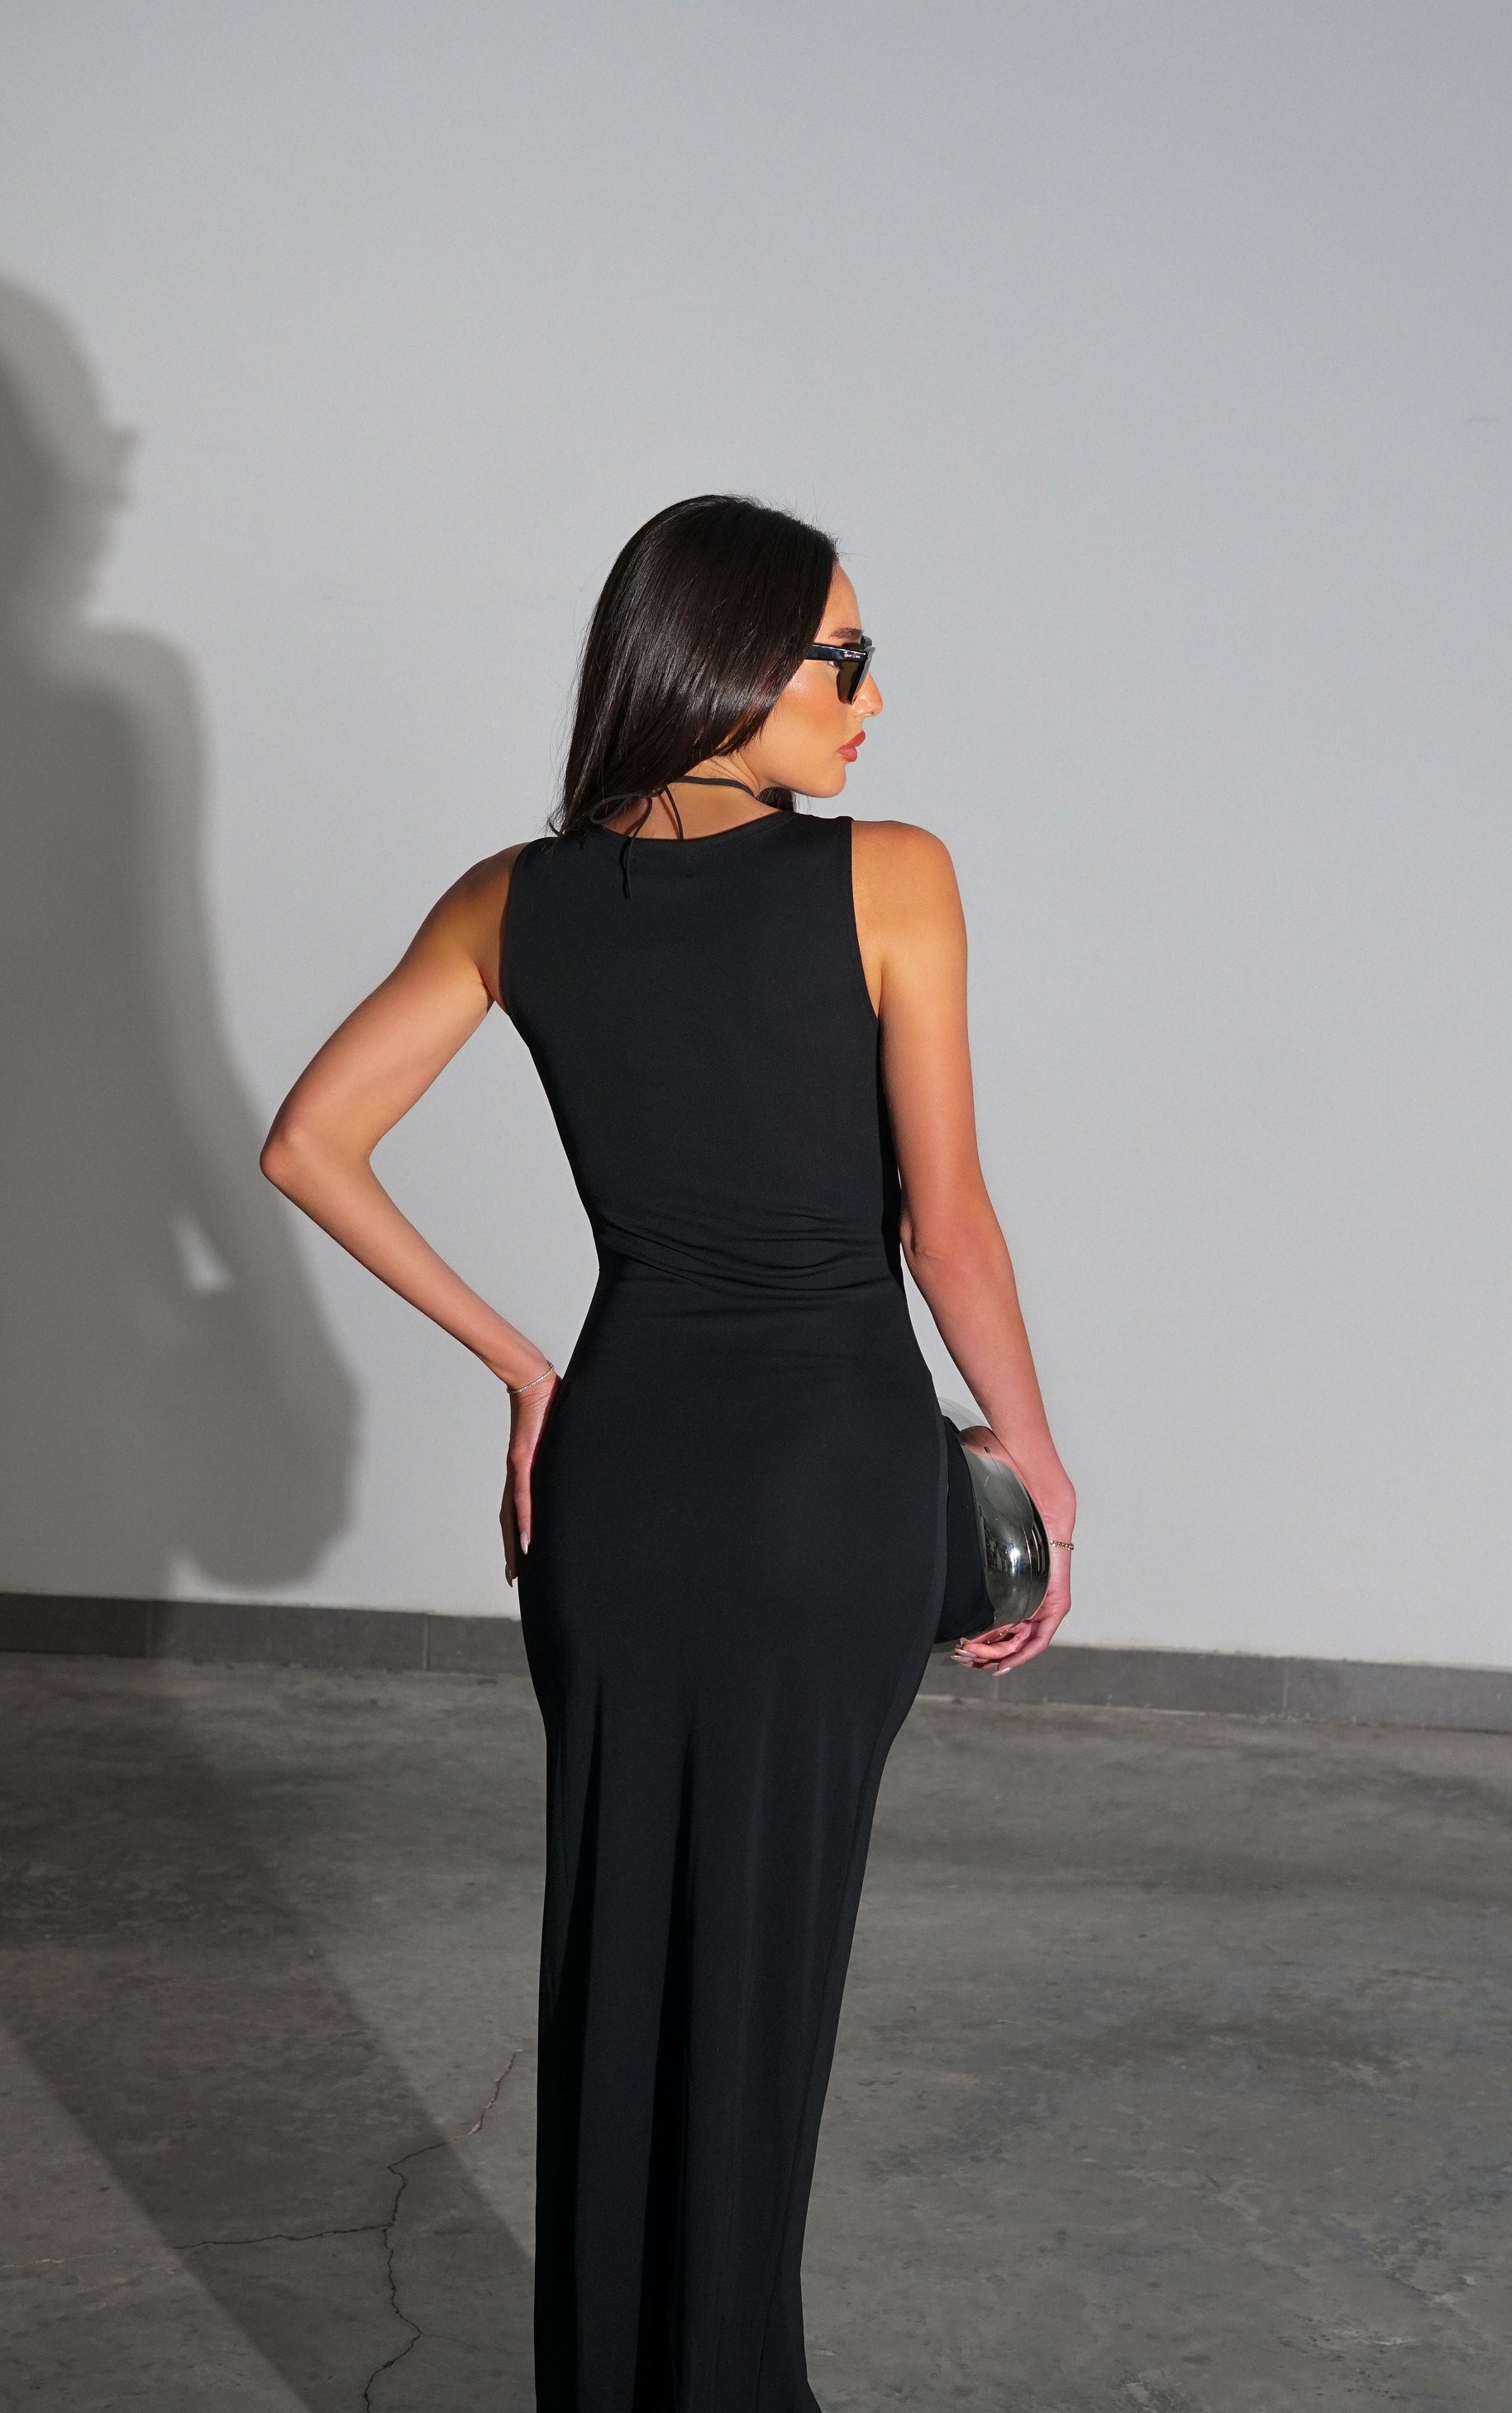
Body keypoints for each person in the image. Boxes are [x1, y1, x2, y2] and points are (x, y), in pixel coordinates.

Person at [261, 493, 1077, 2411]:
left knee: (616, 1968)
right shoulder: (894, 878)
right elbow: (945, 1227)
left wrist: (524, 1369)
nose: (873, 699)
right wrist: (1032, 1455)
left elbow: (307, 1141)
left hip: (617, 1487)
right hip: (826, 1488)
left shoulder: (513, 897)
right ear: (726, 663)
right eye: (843, 661)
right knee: (757, 1999)